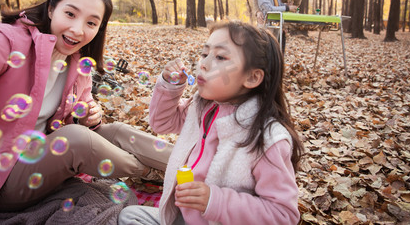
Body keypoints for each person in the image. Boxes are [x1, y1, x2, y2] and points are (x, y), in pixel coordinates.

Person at [0, 0, 171, 223]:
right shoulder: (8, 40)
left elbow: (85, 123)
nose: (77, 30)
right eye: (70, 14)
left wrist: (91, 115)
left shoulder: (77, 63)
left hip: (39, 157)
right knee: (75, 139)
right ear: (52, 8)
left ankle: (191, 164)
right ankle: (154, 173)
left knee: (115, 130)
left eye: (91, 23)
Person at [119, 21, 304, 224]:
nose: (203, 64)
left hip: (218, 218)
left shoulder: (268, 139)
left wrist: (215, 201)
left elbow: (283, 216)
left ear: (252, 77)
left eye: (220, 57)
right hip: (184, 217)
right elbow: (161, 123)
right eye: (204, 54)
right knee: (129, 216)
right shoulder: (203, 108)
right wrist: (170, 86)